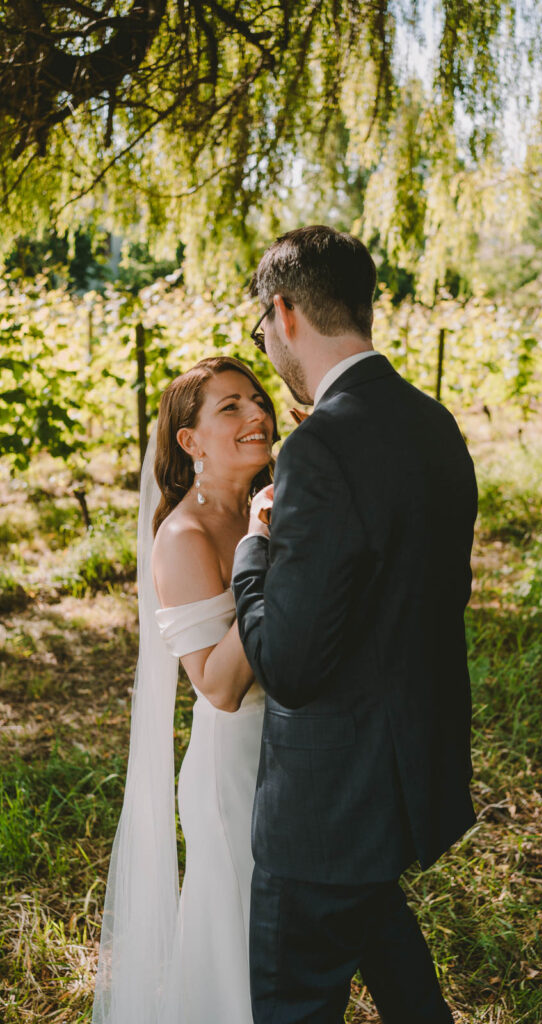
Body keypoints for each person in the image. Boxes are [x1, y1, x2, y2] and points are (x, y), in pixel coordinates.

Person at [232, 225, 478, 1023]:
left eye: (260, 328)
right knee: (404, 982)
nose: (265, 343)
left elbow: (291, 664)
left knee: (291, 1003)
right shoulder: (434, 424)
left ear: (283, 312)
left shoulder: (322, 446)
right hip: (403, 783)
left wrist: (253, 551)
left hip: (323, 813)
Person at [92, 356, 278, 1024]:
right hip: (235, 769)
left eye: (258, 399)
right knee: (237, 949)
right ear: (190, 441)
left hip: (298, 751)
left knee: (287, 950)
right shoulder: (185, 536)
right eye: (230, 407)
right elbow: (219, 686)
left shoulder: (279, 503)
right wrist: (265, 552)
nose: (258, 414)